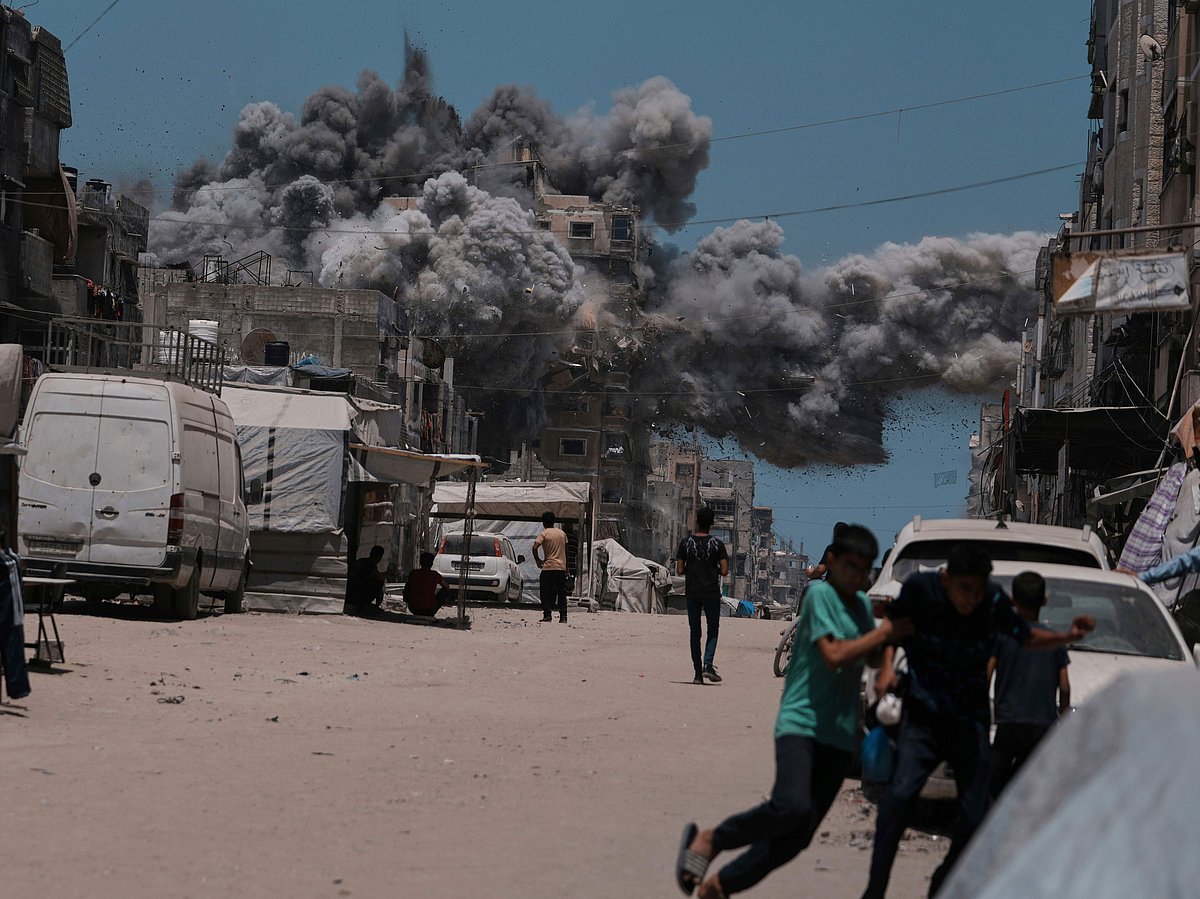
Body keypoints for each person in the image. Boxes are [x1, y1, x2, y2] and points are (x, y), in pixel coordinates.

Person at [674, 525, 910, 897]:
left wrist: (892, 642)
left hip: (840, 733)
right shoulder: (820, 596)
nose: (857, 577)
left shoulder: (863, 606)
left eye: (865, 570)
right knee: (792, 807)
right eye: (850, 567)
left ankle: (721, 885)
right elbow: (833, 655)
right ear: (832, 561)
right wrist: (884, 633)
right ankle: (712, 839)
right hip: (801, 722)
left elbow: (875, 657)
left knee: (799, 835)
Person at [861, 545, 1095, 898]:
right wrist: (887, 669)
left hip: (969, 723)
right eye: (965, 588)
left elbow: (1024, 635)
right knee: (898, 799)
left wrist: (1068, 637)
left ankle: (943, 881)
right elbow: (895, 628)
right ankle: (875, 889)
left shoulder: (993, 599)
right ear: (946, 579)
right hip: (924, 720)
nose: (972, 598)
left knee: (976, 816)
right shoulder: (922, 590)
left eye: (978, 589)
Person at [987, 571, 1070, 799]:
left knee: (994, 781)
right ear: (1044, 600)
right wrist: (1064, 716)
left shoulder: (1004, 635)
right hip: (1041, 725)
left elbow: (987, 672)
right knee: (1032, 781)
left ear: (1013, 601)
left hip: (1008, 721)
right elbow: (1064, 686)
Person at [676, 507, 729, 684]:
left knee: (695, 631)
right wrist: (711, 568)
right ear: (712, 523)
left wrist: (693, 568)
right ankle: (708, 664)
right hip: (711, 592)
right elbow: (724, 571)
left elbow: (679, 570)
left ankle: (698, 674)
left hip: (692, 592)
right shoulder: (717, 544)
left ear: (697, 521)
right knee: (712, 629)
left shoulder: (685, 543)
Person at [533, 511, 569, 623]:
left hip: (548, 567)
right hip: (561, 567)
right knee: (561, 593)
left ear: (543, 523)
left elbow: (534, 547)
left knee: (545, 592)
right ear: (554, 521)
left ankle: (547, 615)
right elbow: (566, 551)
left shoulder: (544, 534)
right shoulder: (562, 534)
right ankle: (563, 616)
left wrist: (538, 560)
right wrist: (567, 566)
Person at [403, 552, 451, 618]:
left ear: (420, 562)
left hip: (413, 607)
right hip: (430, 608)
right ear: (432, 563)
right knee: (445, 590)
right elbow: (447, 586)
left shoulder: (413, 573)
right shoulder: (434, 575)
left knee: (408, 585)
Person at [346, 545, 386, 613]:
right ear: (379, 557)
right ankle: (364, 604)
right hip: (358, 593)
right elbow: (379, 576)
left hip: (350, 593)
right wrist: (388, 573)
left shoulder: (362, 561)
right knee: (379, 582)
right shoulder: (370, 565)